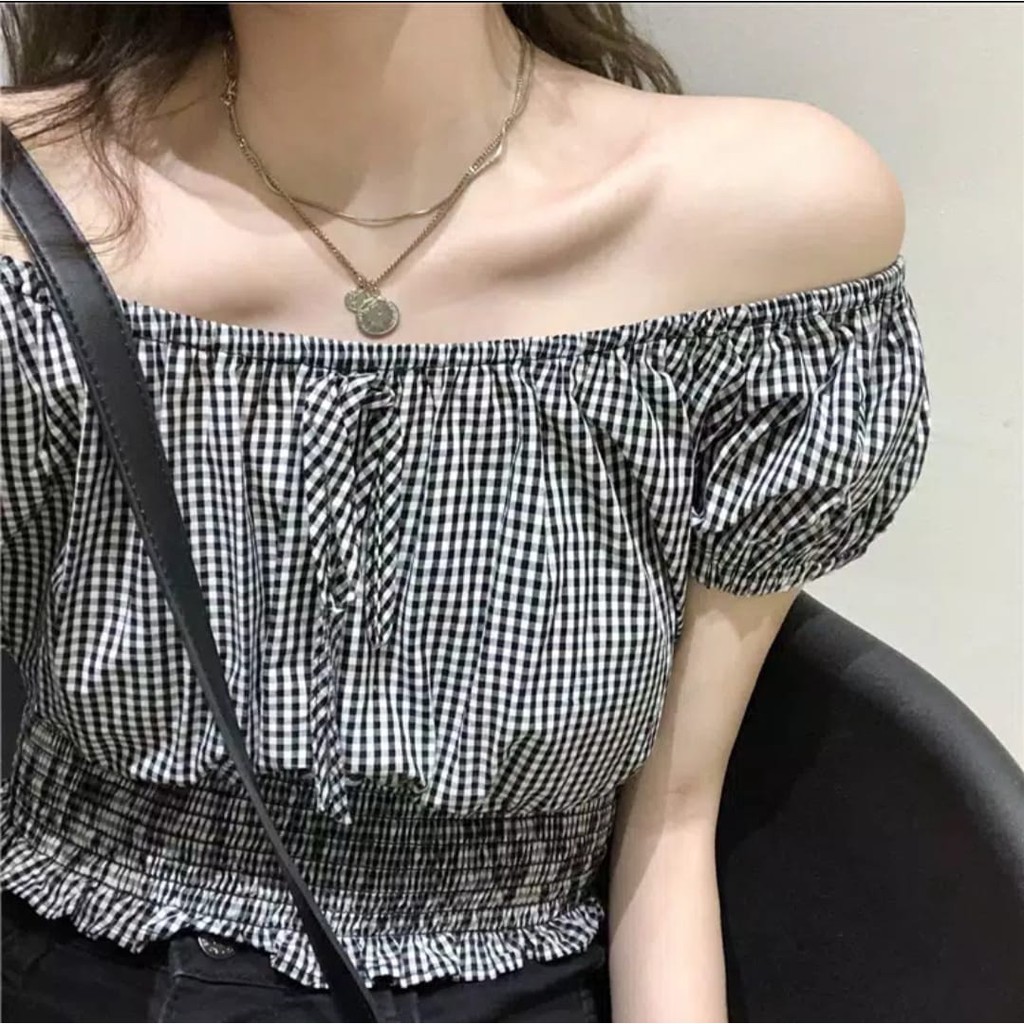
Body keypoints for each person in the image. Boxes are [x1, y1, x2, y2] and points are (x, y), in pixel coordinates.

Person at [0, 3, 931, 1022]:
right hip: (72, 958)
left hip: (509, 981)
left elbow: (667, 829)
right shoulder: (26, 211)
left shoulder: (765, 226)